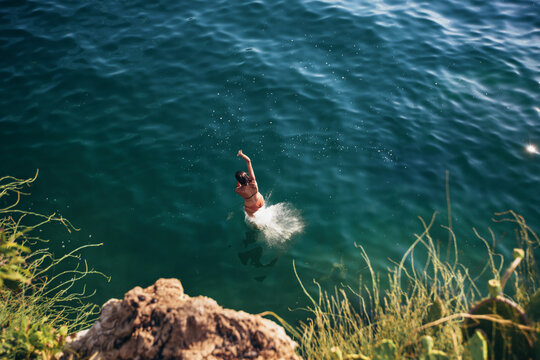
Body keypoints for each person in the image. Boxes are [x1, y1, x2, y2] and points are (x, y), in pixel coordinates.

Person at [235, 150, 264, 217]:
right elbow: (248, 161)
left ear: (239, 180)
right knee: (260, 210)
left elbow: (237, 187)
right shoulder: (253, 181)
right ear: (246, 176)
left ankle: (257, 225)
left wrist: (239, 181)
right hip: (260, 200)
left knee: (252, 219)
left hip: (251, 206)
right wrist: (241, 154)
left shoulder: (239, 190)